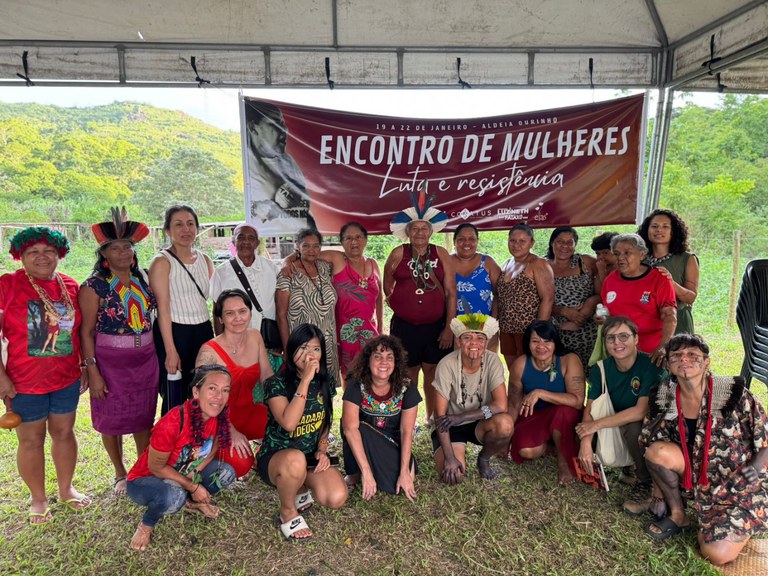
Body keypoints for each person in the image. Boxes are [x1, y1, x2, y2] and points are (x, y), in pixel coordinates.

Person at [639, 334, 768, 566]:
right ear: (668, 364)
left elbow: (766, 436)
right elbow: (651, 442)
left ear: (706, 362)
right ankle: (678, 515)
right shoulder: (664, 395)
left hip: (736, 485)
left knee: (716, 553)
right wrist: (657, 492)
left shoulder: (732, 394)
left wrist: (756, 468)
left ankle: (740, 521)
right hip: (696, 480)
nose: (684, 359)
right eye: (676, 355)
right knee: (655, 451)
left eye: (692, 355)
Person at [0, 227, 90, 524]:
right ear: (20, 256)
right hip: (24, 383)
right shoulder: (9, 285)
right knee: (30, 440)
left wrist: (84, 366)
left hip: (65, 378)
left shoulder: (70, 285)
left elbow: (78, 332)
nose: (42, 257)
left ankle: (66, 490)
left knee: (65, 433)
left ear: (59, 254)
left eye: (48, 251)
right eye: (33, 252)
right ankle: (38, 498)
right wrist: (1, 376)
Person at [79, 208, 158, 496]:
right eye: (115, 247)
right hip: (110, 364)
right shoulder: (93, 286)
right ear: (104, 254)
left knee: (143, 416)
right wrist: (92, 370)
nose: (123, 252)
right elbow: (86, 332)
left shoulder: (143, 280)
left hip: (146, 360)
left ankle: (141, 468)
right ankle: (119, 472)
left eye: (128, 246)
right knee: (111, 419)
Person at [126, 365, 237, 552]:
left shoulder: (217, 414)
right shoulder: (173, 422)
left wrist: (196, 472)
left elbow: (214, 445)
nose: (219, 396)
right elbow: (156, 467)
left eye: (225, 390)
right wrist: (193, 485)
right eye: (212, 388)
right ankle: (146, 525)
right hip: (145, 479)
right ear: (196, 391)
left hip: (180, 473)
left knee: (226, 473)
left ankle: (192, 503)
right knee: (172, 497)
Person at [256, 324, 347, 541]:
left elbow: (326, 419)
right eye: (303, 348)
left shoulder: (325, 380)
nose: (309, 355)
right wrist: (305, 380)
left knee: (336, 497)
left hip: (308, 458)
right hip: (277, 459)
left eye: (315, 349)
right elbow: (289, 423)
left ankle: (299, 486)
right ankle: (287, 511)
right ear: (291, 350)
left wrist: (322, 449)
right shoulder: (275, 384)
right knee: (295, 460)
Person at [576, 316, 666, 510]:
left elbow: (640, 411)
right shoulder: (600, 369)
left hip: (651, 427)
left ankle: (646, 483)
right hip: (615, 420)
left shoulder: (649, 366)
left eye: (624, 336)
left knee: (634, 428)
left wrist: (596, 425)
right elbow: (589, 409)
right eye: (611, 338)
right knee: (580, 426)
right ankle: (627, 465)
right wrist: (585, 442)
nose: (617, 343)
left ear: (636, 339)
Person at [384, 191, 456, 424]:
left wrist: (448, 328)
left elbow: (450, 292)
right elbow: (387, 284)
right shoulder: (398, 253)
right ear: (408, 232)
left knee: (433, 372)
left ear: (431, 231)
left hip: (435, 327)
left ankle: (432, 417)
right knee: (407, 373)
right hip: (405, 327)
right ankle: (409, 418)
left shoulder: (441, 253)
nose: (420, 233)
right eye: (415, 229)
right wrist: (401, 303)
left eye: (424, 228)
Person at [282, 221, 383, 378]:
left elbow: (379, 301)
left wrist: (381, 331)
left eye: (358, 237)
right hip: (345, 334)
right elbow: (308, 252)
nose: (354, 242)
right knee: (349, 378)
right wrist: (287, 261)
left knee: (372, 376)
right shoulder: (336, 258)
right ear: (341, 242)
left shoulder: (373, 264)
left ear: (365, 239)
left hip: (370, 332)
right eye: (348, 238)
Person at [432, 314, 514, 484]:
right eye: (467, 337)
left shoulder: (492, 361)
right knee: (453, 476)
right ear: (458, 342)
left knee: (505, 424)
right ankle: (451, 452)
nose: (474, 343)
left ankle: (483, 458)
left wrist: (462, 416)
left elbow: (501, 405)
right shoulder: (446, 365)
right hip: (450, 426)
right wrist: (449, 457)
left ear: (487, 342)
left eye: (480, 338)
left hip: (479, 422)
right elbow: (440, 417)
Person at [149, 205, 215, 415]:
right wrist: (170, 350)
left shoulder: (205, 259)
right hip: (175, 333)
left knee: (205, 390)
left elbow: (212, 301)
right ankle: (171, 443)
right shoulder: (162, 262)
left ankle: (201, 442)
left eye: (190, 224)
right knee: (175, 394)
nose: (185, 230)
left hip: (203, 331)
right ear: (168, 230)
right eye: (178, 224)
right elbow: (163, 309)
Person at [341, 334, 420, 500]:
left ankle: (401, 469)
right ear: (368, 361)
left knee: (394, 488)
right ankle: (356, 473)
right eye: (378, 357)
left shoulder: (407, 386)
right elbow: (350, 428)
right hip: (362, 440)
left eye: (389, 357)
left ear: (396, 362)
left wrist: (404, 470)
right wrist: (367, 472)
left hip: (392, 446)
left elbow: (407, 431)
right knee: (354, 427)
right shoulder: (357, 384)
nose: (384, 362)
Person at [508, 320, 585, 484]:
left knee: (562, 412)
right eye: (535, 341)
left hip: (565, 414)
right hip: (534, 415)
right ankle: (554, 446)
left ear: (555, 342)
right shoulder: (520, 365)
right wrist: (505, 437)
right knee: (526, 451)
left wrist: (540, 393)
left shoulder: (568, 360)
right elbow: (514, 404)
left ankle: (563, 462)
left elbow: (577, 401)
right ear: (528, 343)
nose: (541, 346)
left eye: (547, 341)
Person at [195, 289, 274, 443]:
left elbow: (267, 376)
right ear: (220, 319)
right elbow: (201, 400)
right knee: (240, 463)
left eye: (243, 311)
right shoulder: (208, 351)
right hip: (217, 418)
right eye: (230, 313)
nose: (238, 318)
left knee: (288, 431)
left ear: (250, 313)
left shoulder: (255, 336)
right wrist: (229, 429)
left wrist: (283, 407)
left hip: (250, 412)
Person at [600, 234, 677, 366]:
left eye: (627, 253)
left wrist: (663, 347)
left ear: (642, 254)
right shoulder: (611, 279)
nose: (621, 258)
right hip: (619, 352)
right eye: (617, 254)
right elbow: (605, 309)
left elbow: (670, 316)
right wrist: (601, 317)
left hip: (651, 353)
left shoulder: (659, 278)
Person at [276, 228, 339, 381]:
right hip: (302, 345)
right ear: (297, 247)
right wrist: (287, 349)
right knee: (303, 390)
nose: (312, 250)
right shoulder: (288, 274)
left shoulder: (326, 268)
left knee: (325, 392)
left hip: (327, 343)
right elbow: (281, 315)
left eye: (316, 246)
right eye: (306, 246)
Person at [244, 100, 313, 232]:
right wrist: (258, 208)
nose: (284, 131)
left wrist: (285, 205)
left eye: (283, 124)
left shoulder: (288, 162)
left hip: (295, 236)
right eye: (275, 124)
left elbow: (304, 208)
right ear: (253, 127)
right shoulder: (245, 165)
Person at [497, 224, 554, 373]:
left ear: (532, 243)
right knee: (514, 373)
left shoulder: (538, 264)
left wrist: (539, 332)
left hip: (528, 331)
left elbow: (547, 298)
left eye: (522, 241)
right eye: (512, 241)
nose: (516, 245)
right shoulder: (507, 263)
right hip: (506, 329)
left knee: (530, 373)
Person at [209, 223, 278, 336]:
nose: (246, 242)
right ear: (233, 242)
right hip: (236, 340)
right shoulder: (222, 272)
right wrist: (221, 342)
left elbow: (281, 305)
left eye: (251, 238)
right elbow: (217, 311)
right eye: (241, 238)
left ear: (257, 243)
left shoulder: (271, 269)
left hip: (269, 338)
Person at [638, 209, 699, 335]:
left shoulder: (687, 259)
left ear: (673, 231)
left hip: (677, 322)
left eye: (665, 226)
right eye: (654, 226)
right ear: (646, 230)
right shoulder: (638, 258)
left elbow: (691, 297)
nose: (659, 230)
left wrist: (670, 282)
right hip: (644, 323)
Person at [547, 226, 600, 370]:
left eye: (569, 242)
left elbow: (602, 291)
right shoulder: (543, 266)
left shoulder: (586, 262)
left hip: (587, 331)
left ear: (575, 245)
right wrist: (564, 311)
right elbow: (536, 301)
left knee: (592, 374)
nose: (564, 246)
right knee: (562, 374)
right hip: (556, 333)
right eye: (560, 242)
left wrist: (585, 310)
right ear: (552, 243)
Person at [451, 223, 501, 350]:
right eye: (461, 239)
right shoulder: (446, 262)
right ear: (454, 241)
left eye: (471, 239)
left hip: (485, 329)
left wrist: (493, 323)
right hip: (455, 329)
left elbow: (499, 294)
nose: (466, 243)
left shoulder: (488, 262)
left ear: (477, 241)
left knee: (486, 366)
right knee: (458, 366)